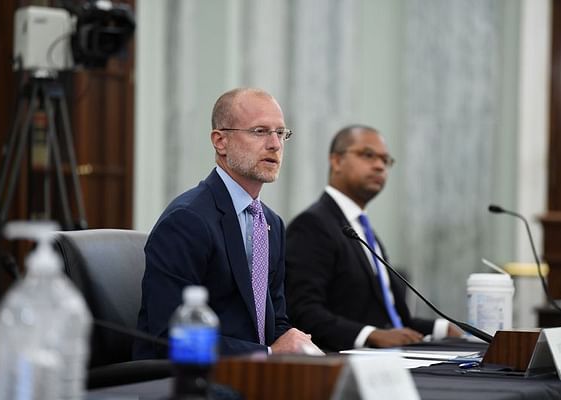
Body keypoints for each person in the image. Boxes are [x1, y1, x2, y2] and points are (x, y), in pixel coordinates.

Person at [134, 88, 321, 358]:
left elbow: (274, 321)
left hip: (255, 379)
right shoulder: (187, 221)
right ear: (220, 141)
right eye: (259, 131)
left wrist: (296, 345)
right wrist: (268, 353)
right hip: (189, 381)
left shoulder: (270, 223)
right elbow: (171, 338)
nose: (275, 145)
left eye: (280, 133)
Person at [285, 125, 459, 352]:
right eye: (368, 155)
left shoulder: (361, 228)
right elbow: (304, 312)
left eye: (385, 160)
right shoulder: (312, 225)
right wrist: (370, 335)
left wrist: (441, 328)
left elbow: (394, 321)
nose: (379, 165)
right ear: (336, 161)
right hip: (342, 364)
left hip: (393, 356)